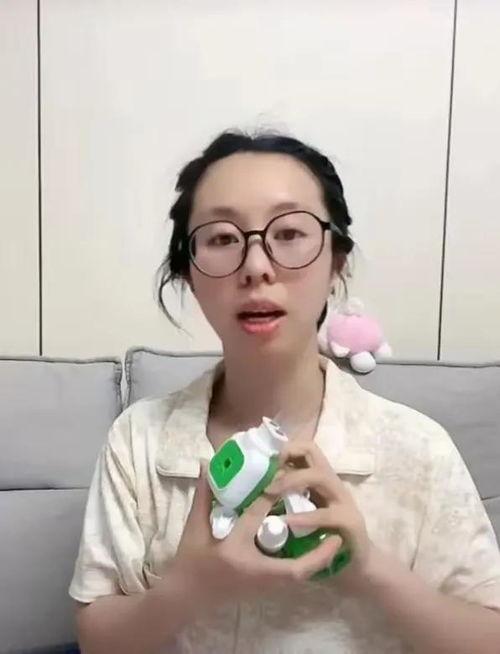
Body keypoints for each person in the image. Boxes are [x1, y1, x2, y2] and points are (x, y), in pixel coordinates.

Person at [70, 131, 500, 654]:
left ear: (337, 262)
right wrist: (190, 586)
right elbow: (97, 638)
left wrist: (369, 569)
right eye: (222, 238)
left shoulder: (419, 449)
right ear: (188, 273)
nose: (257, 267)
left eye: (290, 232)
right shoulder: (137, 441)